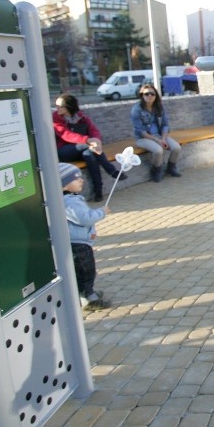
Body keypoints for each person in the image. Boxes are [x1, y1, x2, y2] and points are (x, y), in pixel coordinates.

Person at [53, 93, 127, 202]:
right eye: (56, 106)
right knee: (89, 148)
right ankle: (111, 170)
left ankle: (98, 191)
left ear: (69, 107)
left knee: (89, 155)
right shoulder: (56, 118)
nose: (57, 108)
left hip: (84, 149)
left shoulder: (81, 117)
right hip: (65, 151)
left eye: (60, 106)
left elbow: (94, 130)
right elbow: (65, 134)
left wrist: (96, 140)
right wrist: (88, 141)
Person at [59, 162, 111, 311]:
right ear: (64, 185)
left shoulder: (69, 199)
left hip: (77, 242)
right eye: (75, 178)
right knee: (85, 271)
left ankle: (86, 293)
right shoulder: (69, 202)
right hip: (78, 244)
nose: (81, 180)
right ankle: (88, 298)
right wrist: (102, 212)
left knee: (81, 271)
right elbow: (84, 218)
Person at [130, 83, 183, 182]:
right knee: (158, 150)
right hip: (143, 138)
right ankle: (157, 171)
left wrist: (162, 139)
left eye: (152, 94)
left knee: (176, 147)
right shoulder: (136, 110)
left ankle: (171, 168)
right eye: (147, 94)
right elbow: (140, 131)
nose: (150, 96)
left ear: (156, 95)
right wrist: (157, 140)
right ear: (142, 95)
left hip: (159, 135)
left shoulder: (159, 107)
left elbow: (165, 125)